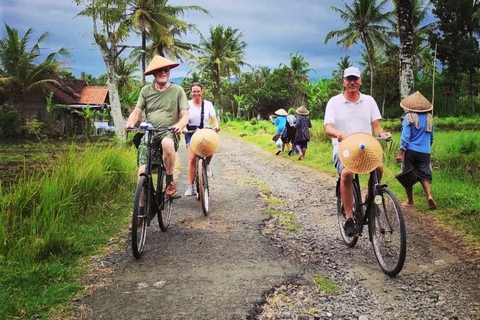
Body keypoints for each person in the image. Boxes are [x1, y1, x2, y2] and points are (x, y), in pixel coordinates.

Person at [324, 66, 391, 237]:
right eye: (349, 79)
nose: (352, 82)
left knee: (379, 169)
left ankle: (371, 198)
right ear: (344, 82)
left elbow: (377, 127)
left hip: (366, 147)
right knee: (347, 174)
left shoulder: (369, 101)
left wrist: (382, 134)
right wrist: (338, 133)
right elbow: (328, 127)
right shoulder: (334, 102)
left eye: (355, 79)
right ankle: (348, 219)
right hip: (344, 147)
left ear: (360, 81)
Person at [124, 55, 189, 201]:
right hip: (149, 132)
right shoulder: (146, 91)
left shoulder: (178, 90)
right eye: (159, 70)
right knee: (142, 172)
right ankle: (140, 212)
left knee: (167, 143)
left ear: (169, 72)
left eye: (166, 70)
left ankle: (170, 181)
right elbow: (137, 112)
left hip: (169, 131)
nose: (163, 73)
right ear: (154, 74)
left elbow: (185, 115)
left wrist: (179, 125)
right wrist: (129, 123)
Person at [395, 91, 436, 210]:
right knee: (424, 174)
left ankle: (410, 201)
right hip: (425, 151)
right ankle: (428, 195)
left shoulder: (409, 117)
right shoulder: (429, 118)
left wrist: (400, 152)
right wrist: (427, 147)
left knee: (408, 174)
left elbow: (405, 136)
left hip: (410, 150)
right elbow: (432, 137)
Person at [184, 83, 220, 196]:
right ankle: (191, 186)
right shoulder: (187, 105)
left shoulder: (208, 104)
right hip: (191, 133)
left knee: (211, 146)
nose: (196, 94)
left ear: (201, 91)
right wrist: (184, 128)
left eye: (198, 91)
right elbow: (183, 119)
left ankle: (207, 166)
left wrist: (216, 126)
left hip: (205, 132)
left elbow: (214, 119)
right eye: (194, 91)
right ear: (190, 93)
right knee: (192, 158)